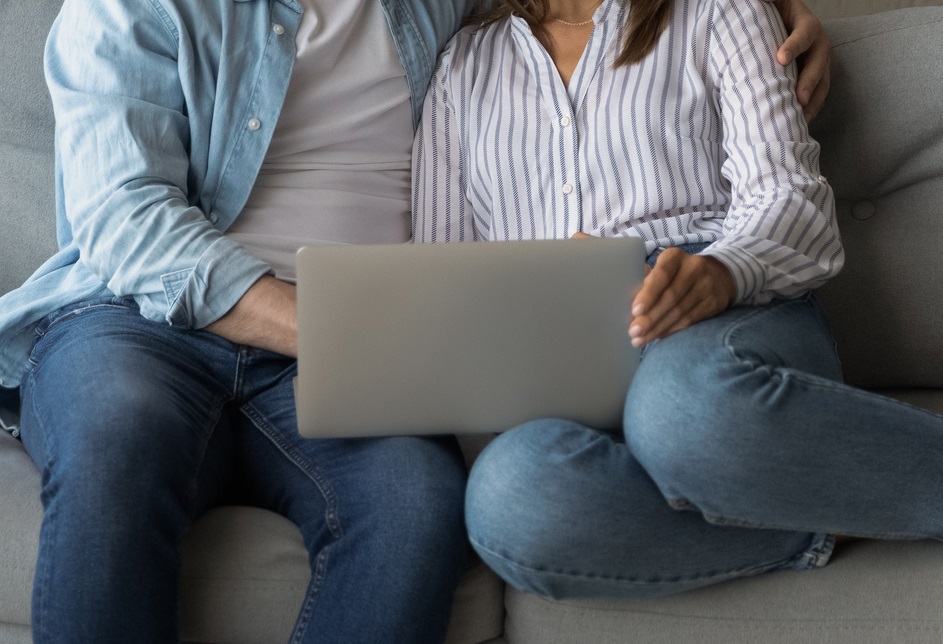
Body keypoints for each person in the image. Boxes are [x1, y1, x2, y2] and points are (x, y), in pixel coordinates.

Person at [0, 0, 829, 642]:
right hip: (142, 326)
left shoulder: (441, 10)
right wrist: (328, 327)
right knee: (118, 436)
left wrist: (773, 10)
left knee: (413, 502)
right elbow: (124, 216)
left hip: (369, 338)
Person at [413, 0, 943, 602]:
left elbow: (792, 201)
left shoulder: (717, 10)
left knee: (682, 411)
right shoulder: (462, 65)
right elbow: (445, 280)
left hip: (724, 302)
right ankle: (813, 521)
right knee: (510, 498)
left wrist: (719, 272)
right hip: (557, 354)